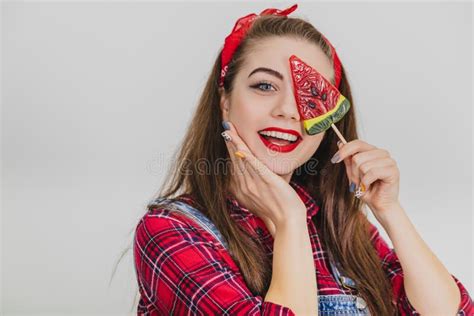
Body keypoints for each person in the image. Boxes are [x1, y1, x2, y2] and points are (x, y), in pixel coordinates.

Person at [132, 4, 473, 315]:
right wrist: (290, 221)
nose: (288, 111)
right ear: (224, 101)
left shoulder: (340, 225)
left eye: (310, 96)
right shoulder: (171, 231)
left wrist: (389, 210)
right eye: (264, 86)